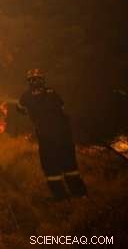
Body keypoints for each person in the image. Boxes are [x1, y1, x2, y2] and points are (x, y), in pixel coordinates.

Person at [16, 68, 87, 200]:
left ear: (29, 81)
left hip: (46, 137)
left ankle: (61, 197)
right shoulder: (52, 92)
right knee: (70, 165)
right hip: (64, 135)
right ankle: (79, 194)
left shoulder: (26, 96)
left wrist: (30, 111)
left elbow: (19, 109)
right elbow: (62, 107)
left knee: (50, 166)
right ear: (42, 80)